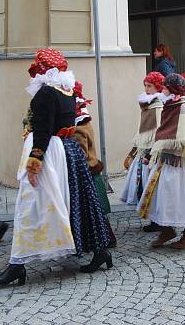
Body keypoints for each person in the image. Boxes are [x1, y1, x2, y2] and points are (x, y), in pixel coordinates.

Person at [0, 49, 112, 286]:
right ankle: (100, 252)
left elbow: (43, 132)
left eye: (37, 67)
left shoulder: (45, 92)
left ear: (43, 68)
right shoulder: (67, 89)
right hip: (68, 151)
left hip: (49, 153)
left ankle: (18, 264)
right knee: (77, 202)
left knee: (31, 205)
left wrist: (34, 165)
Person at [138, 73, 185, 249]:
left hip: (182, 162)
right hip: (166, 160)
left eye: (166, 87)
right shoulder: (170, 105)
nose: (163, 90)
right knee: (163, 197)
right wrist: (153, 151)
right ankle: (166, 229)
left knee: (183, 198)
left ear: (173, 89)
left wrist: (171, 146)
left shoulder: (184, 107)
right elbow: (163, 130)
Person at [73, 81, 117, 247]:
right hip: (89, 167)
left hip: (87, 169)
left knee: (93, 208)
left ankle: (104, 240)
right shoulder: (80, 118)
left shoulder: (79, 122)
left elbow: (81, 149)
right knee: (94, 208)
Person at [121, 72, 166, 233]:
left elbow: (159, 132)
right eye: (145, 86)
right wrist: (134, 150)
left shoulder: (158, 107)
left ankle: (159, 221)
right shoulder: (147, 105)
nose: (146, 89)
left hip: (152, 154)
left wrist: (151, 153)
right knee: (144, 186)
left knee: (153, 187)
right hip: (143, 151)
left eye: (150, 86)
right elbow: (142, 132)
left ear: (158, 88)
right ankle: (153, 219)